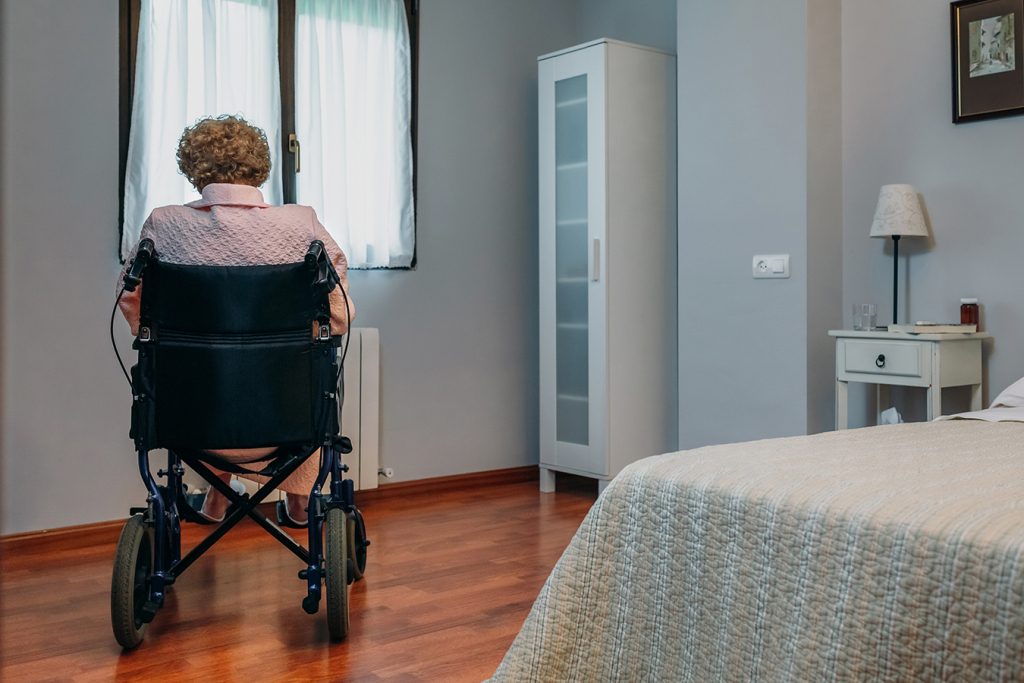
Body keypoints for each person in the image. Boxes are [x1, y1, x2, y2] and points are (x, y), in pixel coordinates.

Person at [118, 114, 355, 527]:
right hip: (286, 421)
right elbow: (338, 314)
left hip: (191, 421)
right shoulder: (301, 224)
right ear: (259, 166)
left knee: (213, 369)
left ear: (194, 170)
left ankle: (216, 498)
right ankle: (299, 505)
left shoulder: (163, 224)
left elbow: (132, 301)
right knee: (301, 367)